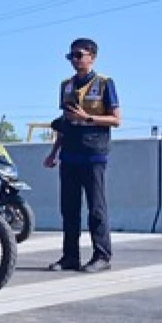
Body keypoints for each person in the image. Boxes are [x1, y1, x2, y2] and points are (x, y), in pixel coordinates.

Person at [43, 38, 121, 273]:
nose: (75, 60)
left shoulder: (105, 83)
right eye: (72, 56)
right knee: (69, 209)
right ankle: (70, 256)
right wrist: (54, 152)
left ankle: (102, 255)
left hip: (93, 154)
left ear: (92, 57)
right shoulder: (66, 85)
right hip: (70, 155)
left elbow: (116, 119)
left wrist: (87, 118)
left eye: (79, 55)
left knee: (96, 208)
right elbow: (66, 123)